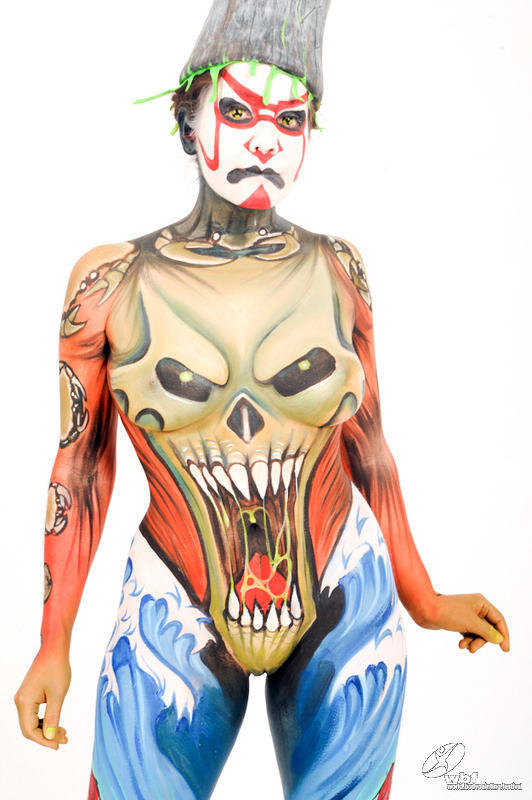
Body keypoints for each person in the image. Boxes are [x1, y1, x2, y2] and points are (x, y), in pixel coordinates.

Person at [13, 2, 510, 798]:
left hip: (343, 597)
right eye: (238, 112)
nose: (265, 142)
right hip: (174, 599)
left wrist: (421, 595)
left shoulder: (340, 269)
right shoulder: (110, 285)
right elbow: (81, 467)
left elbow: (370, 446)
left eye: (290, 118)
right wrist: (52, 642)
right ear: (187, 120)